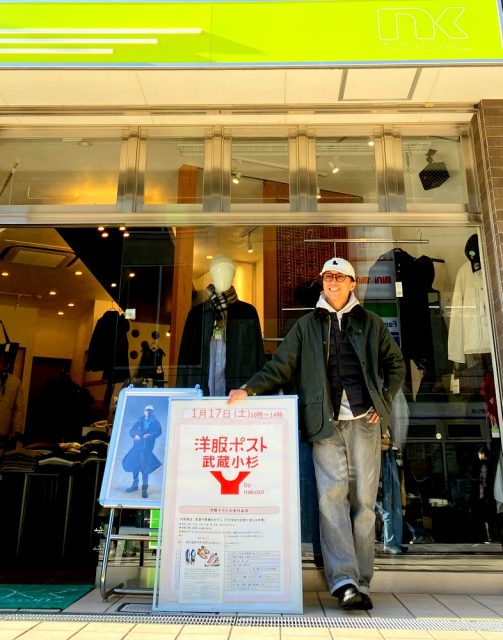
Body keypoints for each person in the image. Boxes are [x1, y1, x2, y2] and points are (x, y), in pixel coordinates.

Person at [228, 256, 405, 610]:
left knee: (364, 503)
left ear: (352, 284)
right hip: (324, 424)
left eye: (339, 277)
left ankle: (362, 578)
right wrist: (248, 389)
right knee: (330, 499)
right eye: (327, 277)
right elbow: (280, 366)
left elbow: (395, 365)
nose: (332, 282)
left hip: (365, 422)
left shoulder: (370, 323)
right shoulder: (307, 325)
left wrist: (382, 402)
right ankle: (345, 582)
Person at [177, 254, 265, 395]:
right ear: (211, 275)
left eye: (228, 271)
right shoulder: (197, 314)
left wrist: (256, 391)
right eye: (218, 271)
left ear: (234, 275)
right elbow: (185, 358)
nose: (223, 276)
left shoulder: (247, 312)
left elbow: (258, 357)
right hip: (201, 395)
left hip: (237, 395)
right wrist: (182, 395)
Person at [121, 404, 162, 498]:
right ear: (144, 411)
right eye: (146, 410)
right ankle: (135, 485)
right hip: (137, 446)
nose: (148, 412)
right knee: (134, 463)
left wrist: (150, 435)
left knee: (145, 467)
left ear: (152, 412)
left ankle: (144, 488)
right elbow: (131, 431)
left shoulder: (156, 422)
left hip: (147, 448)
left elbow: (159, 432)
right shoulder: (140, 421)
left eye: (150, 411)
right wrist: (134, 435)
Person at [0, 351, 25, 455]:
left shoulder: (15, 382)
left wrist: (16, 429)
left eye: (3, 359)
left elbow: (19, 409)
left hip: (4, 431)